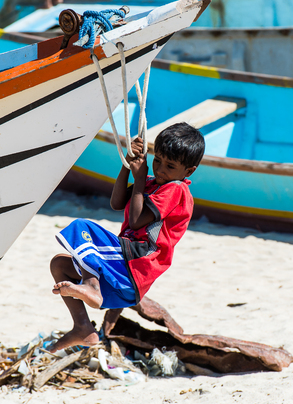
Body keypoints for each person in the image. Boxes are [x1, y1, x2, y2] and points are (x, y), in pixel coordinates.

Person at [49, 122, 205, 352]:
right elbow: (117, 203)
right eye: (157, 160)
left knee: (82, 228)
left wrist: (140, 178)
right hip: (122, 278)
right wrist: (128, 165)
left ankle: (92, 286)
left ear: (188, 171)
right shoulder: (153, 183)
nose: (160, 169)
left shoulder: (176, 190)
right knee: (60, 264)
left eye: (170, 166)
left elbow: (136, 220)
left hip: (136, 262)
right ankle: (83, 327)